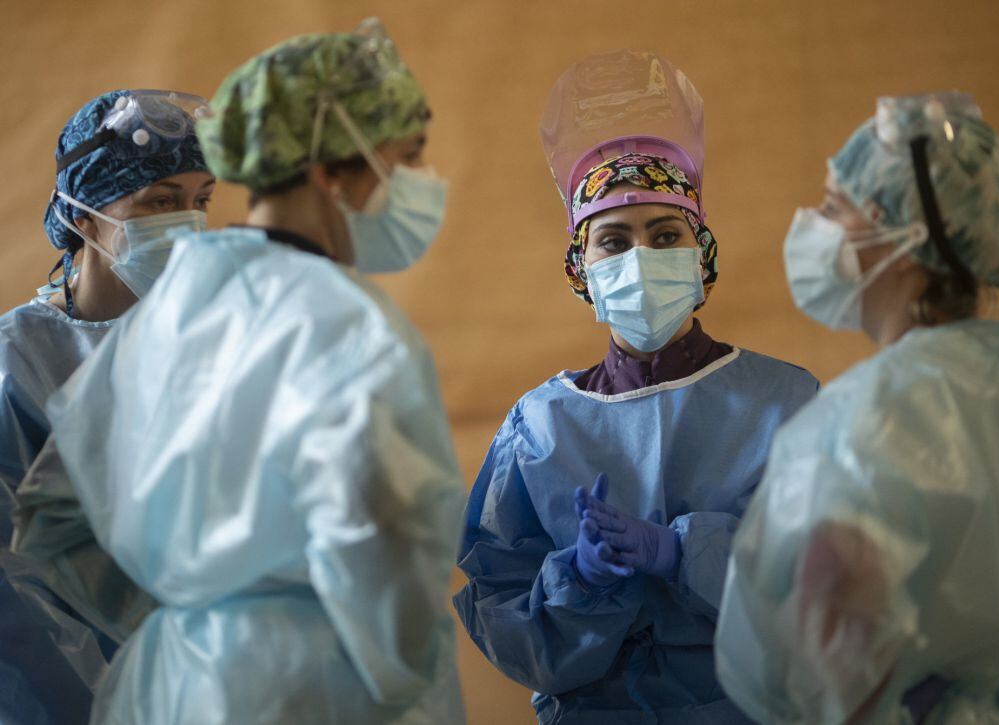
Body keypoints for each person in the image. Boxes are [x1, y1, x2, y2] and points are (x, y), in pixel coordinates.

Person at [39, 21, 466, 725]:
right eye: (408, 157)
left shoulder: (174, 302)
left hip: (168, 686)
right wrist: (405, 684)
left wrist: (188, 610)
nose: (423, 182)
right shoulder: (350, 327)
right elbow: (389, 552)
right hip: (312, 691)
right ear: (331, 172)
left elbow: (54, 516)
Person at [454, 50, 818, 723]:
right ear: (580, 269)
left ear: (701, 257)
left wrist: (686, 551)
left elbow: (830, 584)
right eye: (613, 241)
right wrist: (577, 578)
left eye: (664, 234)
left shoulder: (786, 405)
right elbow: (502, 608)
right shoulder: (539, 428)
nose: (640, 259)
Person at [714, 92, 999, 723]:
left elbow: (823, 653)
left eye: (836, 209)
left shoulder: (874, 418)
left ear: (905, 243)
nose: (814, 226)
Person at [0, 88, 212, 725]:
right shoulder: (17, 367)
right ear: (84, 216)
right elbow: (14, 596)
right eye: (161, 202)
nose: (189, 223)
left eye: (201, 201)